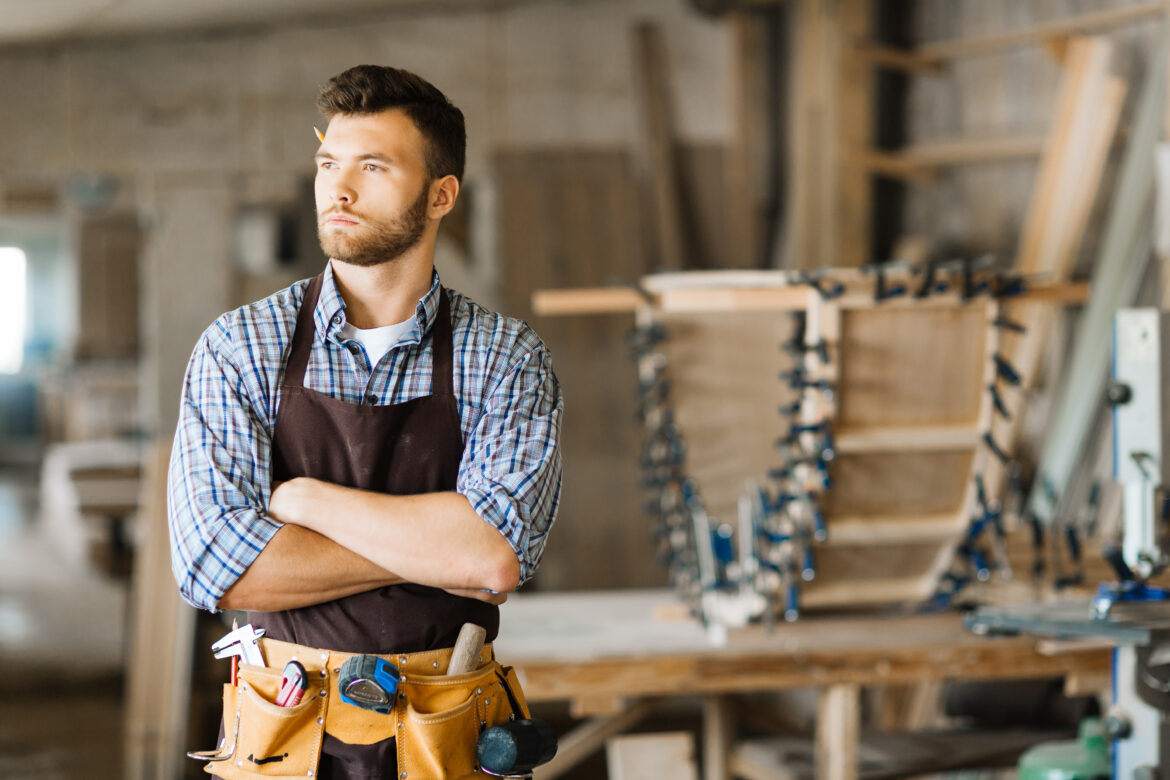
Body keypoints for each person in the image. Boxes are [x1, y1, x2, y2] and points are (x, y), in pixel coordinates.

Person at [168, 64, 563, 779]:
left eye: (373, 167)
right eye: (328, 164)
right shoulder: (240, 346)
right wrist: (441, 550)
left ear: (441, 195)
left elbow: (494, 556)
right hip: (283, 733)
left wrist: (307, 503)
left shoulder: (503, 356)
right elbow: (214, 567)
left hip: (444, 737)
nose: (338, 190)